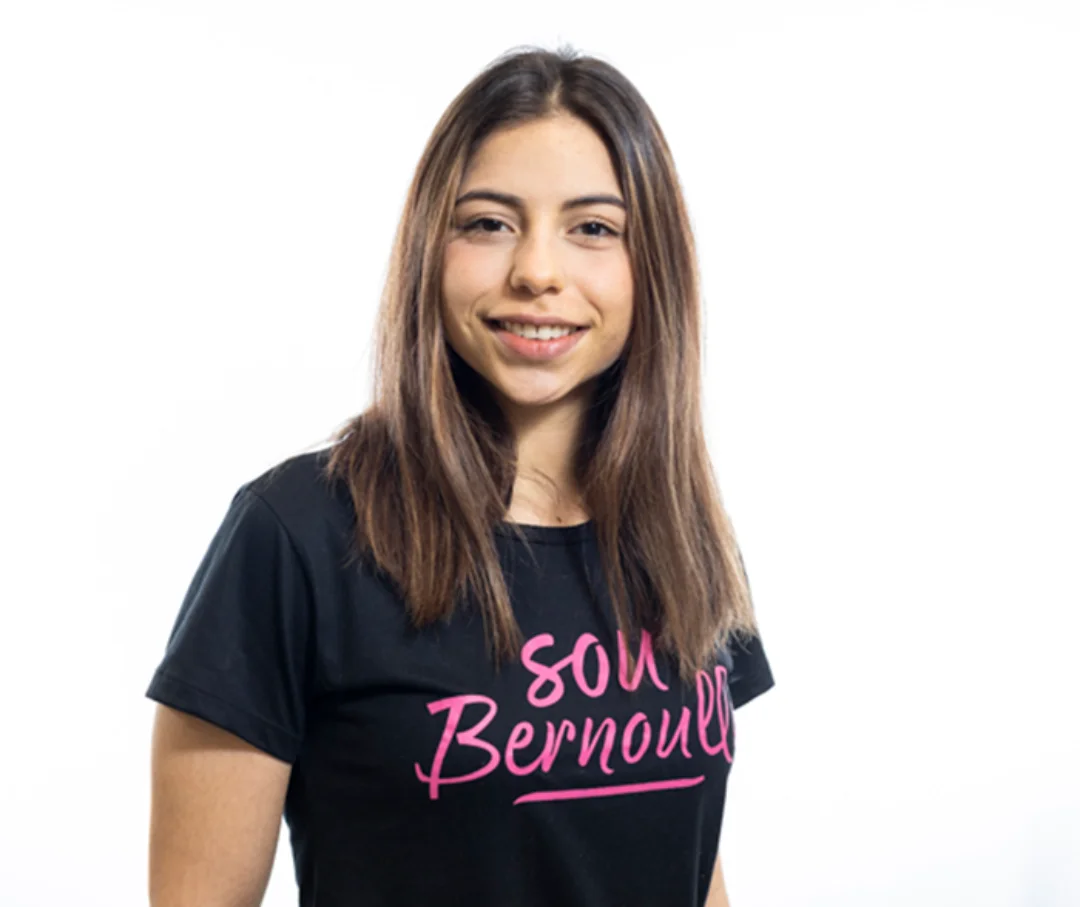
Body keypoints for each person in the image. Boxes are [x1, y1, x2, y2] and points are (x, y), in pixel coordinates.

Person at [146, 44, 776, 907]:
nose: (538, 271)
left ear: (652, 267)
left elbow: (689, 864)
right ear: (429, 249)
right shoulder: (297, 536)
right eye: (488, 223)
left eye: (594, 228)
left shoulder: (682, 536)